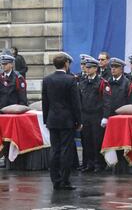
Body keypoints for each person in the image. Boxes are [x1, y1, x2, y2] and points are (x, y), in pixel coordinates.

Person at [42, 53, 82, 190]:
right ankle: (65, 180)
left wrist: (46, 120)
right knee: (66, 150)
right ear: (66, 64)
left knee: (54, 150)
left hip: (52, 120)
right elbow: (75, 103)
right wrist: (79, 121)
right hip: (67, 120)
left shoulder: (47, 80)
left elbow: (45, 102)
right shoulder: (70, 80)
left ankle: (55, 180)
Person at [78, 58, 111, 173]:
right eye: (86, 67)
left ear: (96, 69)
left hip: (97, 115)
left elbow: (107, 101)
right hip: (85, 115)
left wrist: (105, 117)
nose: (87, 69)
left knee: (97, 140)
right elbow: (79, 100)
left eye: (89, 67)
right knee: (86, 140)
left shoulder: (102, 82)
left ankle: (99, 164)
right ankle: (89, 163)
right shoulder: (82, 82)